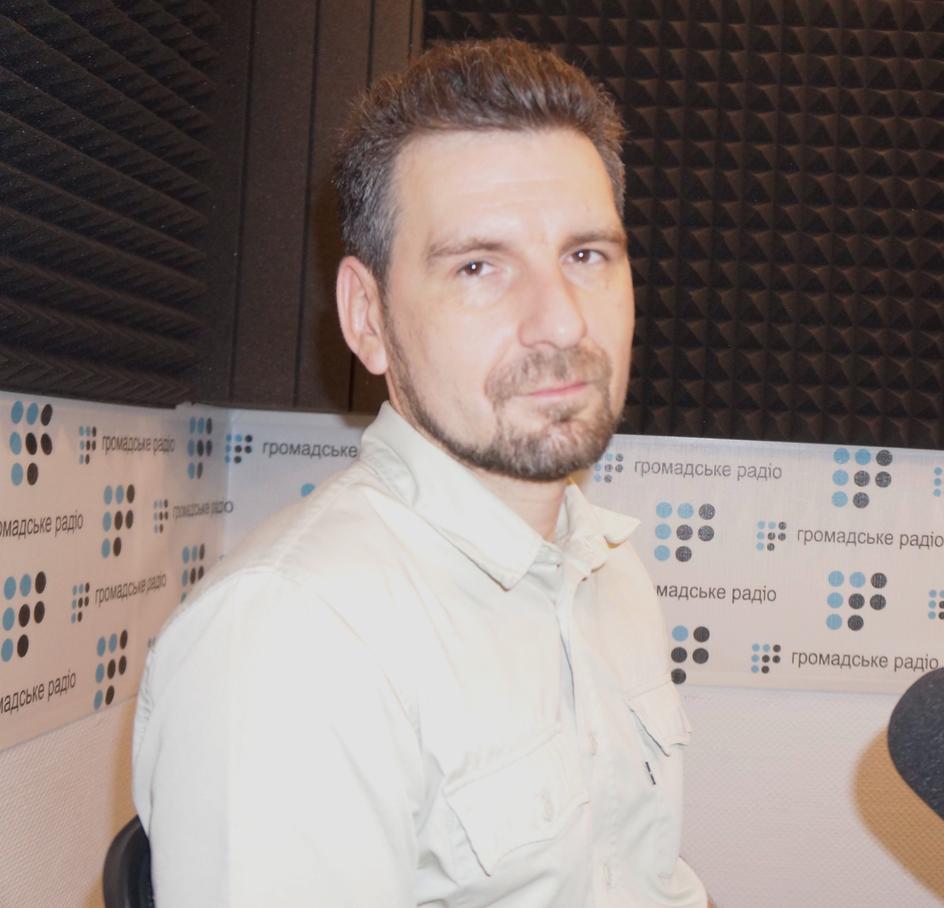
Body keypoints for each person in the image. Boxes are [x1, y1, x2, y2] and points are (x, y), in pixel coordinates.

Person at [133, 38, 711, 908]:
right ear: (367, 318)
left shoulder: (608, 569)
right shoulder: (293, 643)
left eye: (586, 256)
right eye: (479, 266)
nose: (560, 322)